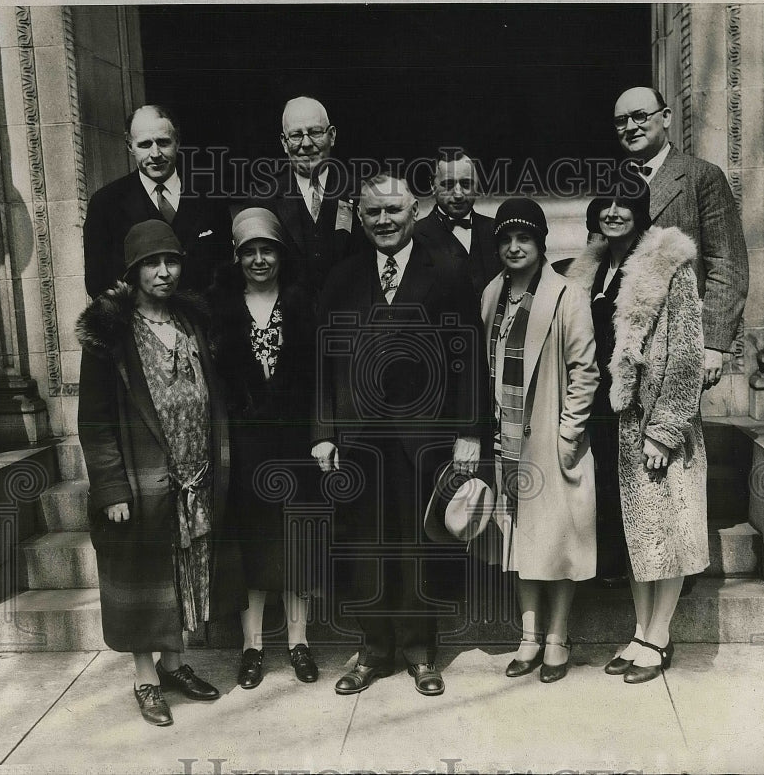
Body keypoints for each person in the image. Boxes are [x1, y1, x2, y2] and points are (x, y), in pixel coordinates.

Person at [312, 173, 488, 697]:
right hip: (360, 439)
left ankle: (419, 651)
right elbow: (324, 360)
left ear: (415, 212)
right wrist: (324, 432)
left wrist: (470, 431)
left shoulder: (450, 272)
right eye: (373, 213)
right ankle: (373, 650)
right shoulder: (342, 278)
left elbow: (469, 359)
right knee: (364, 544)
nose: (383, 221)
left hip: (424, 438)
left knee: (417, 544)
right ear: (360, 218)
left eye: (393, 211)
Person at [76, 219, 246, 725]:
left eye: (171, 261)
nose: (164, 272)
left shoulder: (194, 322)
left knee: (186, 575)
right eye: (152, 263)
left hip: (196, 476)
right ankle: (145, 678)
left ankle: (176, 666)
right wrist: (111, 488)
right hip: (143, 482)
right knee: (145, 578)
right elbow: (95, 420)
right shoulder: (111, 334)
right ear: (133, 272)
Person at [566, 177, 709, 684]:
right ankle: (640, 629)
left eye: (623, 204)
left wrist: (665, 430)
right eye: (604, 203)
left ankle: (659, 635)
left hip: (653, 421)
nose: (613, 212)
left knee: (665, 531)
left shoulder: (671, 266)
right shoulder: (594, 270)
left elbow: (689, 355)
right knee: (636, 534)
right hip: (612, 422)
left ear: (641, 209)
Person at [480, 198, 599, 684]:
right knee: (520, 539)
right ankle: (528, 635)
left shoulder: (566, 294)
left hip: (550, 436)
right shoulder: (492, 292)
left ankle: (558, 636)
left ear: (541, 243)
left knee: (560, 539)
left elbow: (584, 370)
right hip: (506, 439)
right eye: (506, 239)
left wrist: (569, 433)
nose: (514, 247)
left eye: (523, 238)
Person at [208, 207, 320, 688]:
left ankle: (300, 642)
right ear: (236, 256)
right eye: (249, 251)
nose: (259, 259)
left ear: (280, 252)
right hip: (246, 444)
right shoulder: (218, 308)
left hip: (296, 443)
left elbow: (320, 379)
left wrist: (320, 435)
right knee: (251, 547)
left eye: (266, 249)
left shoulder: (303, 303)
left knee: (298, 545)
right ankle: (252, 647)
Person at [612, 86, 748, 389]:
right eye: (621, 121)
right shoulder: (614, 183)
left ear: (666, 117)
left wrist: (713, 345)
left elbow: (727, 264)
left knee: (672, 432)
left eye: (639, 116)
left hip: (677, 336)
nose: (630, 127)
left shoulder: (701, 177)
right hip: (622, 337)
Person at [83, 104, 231, 297]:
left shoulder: (210, 196)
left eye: (163, 142)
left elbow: (226, 269)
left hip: (204, 322)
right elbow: (98, 283)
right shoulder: (106, 203)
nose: (155, 154)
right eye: (145, 144)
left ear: (177, 142)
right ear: (130, 146)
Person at [255, 96, 361, 293]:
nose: (306, 143)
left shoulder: (360, 192)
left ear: (332, 135)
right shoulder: (263, 202)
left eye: (314, 132)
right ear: (284, 143)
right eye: (296, 135)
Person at [413, 148, 501, 299]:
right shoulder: (414, 236)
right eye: (448, 185)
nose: (458, 194)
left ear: (477, 185)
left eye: (466, 184)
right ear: (433, 186)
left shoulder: (497, 230)